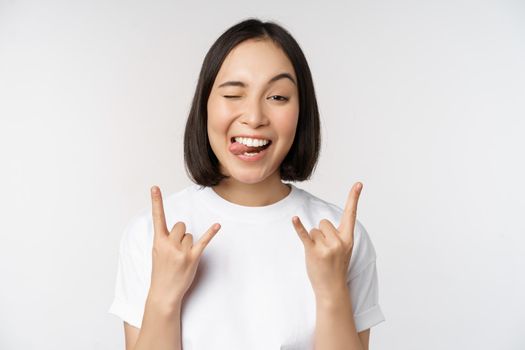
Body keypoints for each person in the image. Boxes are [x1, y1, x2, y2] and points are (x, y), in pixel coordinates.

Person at [108, 18, 385, 350]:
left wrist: (332, 293)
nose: (254, 117)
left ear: (302, 111)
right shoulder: (152, 236)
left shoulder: (339, 239)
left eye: (278, 97)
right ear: (205, 106)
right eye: (233, 94)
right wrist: (164, 297)